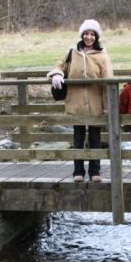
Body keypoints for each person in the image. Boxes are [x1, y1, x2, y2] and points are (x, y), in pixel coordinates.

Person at [48, 19, 114, 182]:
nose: (89, 37)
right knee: (77, 138)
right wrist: (57, 74)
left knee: (95, 139)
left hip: (95, 103)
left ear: (96, 37)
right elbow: (59, 66)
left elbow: (108, 81)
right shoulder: (72, 52)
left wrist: (109, 106)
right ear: (82, 35)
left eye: (92, 34)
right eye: (86, 34)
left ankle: (95, 172)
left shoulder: (102, 54)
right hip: (75, 102)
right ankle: (78, 171)